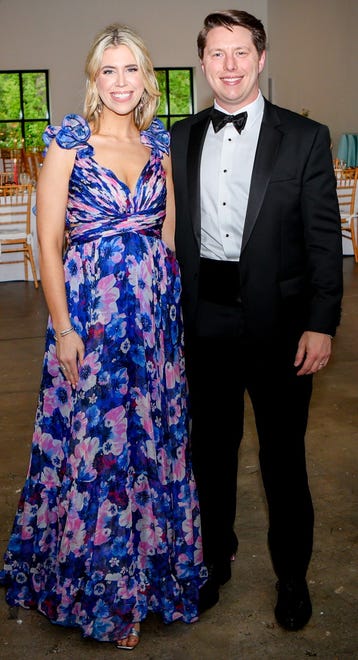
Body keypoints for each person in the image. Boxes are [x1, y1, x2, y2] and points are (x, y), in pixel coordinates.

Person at [0, 23, 206, 650]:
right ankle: (103, 596)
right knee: (98, 451)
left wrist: (170, 313)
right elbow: (48, 241)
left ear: (147, 77)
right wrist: (62, 328)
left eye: (131, 70)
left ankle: (152, 583)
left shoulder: (160, 145)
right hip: (90, 321)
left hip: (153, 324)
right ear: (94, 80)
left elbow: (169, 235)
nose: (121, 82)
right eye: (107, 71)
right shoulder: (70, 142)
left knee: (152, 445)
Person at [171, 9, 343, 631]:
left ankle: (292, 576)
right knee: (211, 456)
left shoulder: (304, 136)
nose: (230, 66)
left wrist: (322, 323)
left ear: (261, 58)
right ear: (203, 62)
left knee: (283, 459)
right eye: (217, 54)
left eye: (241, 52)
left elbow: (325, 241)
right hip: (204, 321)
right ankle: (214, 562)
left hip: (281, 326)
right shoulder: (182, 136)